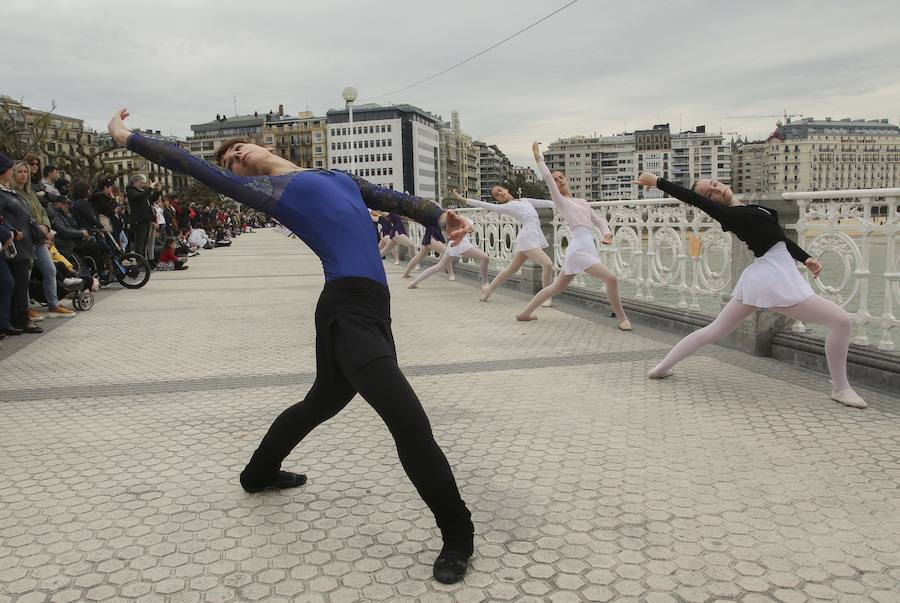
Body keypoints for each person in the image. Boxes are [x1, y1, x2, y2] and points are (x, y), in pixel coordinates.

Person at [108, 108, 475, 583]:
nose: (237, 155)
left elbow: (393, 198)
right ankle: (458, 532)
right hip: (348, 311)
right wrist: (126, 136)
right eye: (231, 161)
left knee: (321, 400)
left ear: (263, 145)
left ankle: (258, 474)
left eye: (239, 148)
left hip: (368, 309)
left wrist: (441, 216)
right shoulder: (268, 191)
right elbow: (186, 162)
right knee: (408, 421)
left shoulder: (335, 175)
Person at [636, 171, 866, 409]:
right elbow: (693, 199)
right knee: (841, 321)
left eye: (714, 185)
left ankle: (661, 368)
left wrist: (806, 258)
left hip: (766, 275)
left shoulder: (753, 209)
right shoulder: (729, 215)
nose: (715, 191)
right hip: (773, 278)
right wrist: (657, 182)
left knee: (715, 330)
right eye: (709, 194)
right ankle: (841, 388)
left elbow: (778, 239)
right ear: (709, 202)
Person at [516, 143, 631, 329]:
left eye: (561, 177)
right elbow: (547, 178)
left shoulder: (582, 202)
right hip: (579, 248)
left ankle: (525, 312)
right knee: (611, 278)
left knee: (556, 288)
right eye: (556, 179)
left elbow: (599, 221)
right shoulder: (560, 201)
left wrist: (608, 234)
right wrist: (538, 157)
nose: (559, 180)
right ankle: (622, 319)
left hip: (587, 247)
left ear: (567, 179)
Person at [452, 188, 555, 304]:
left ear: (506, 189)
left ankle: (487, 292)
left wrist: (567, 204)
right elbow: (484, 205)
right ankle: (546, 297)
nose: (500, 194)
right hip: (528, 237)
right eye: (497, 195)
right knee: (547, 264)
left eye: (500, 190)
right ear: (497, 199)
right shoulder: (507, 206)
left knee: (510, 270)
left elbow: (547, 203)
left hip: (532, 235)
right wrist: (461, 199)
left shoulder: (525, 200)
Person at [12, 161, 74, 317]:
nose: (24, 175)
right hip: (25, 240)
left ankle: (53, 305)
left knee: (50, 270)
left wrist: (45, 227)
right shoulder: (12, 194)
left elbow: (43, 213)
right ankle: (26, 308)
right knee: (26, 274)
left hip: (39, 238)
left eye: (25, 172)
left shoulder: (30, 192)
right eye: (20, 172)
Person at [0, 152, 43, 334]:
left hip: (23, 243)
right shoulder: (2, 194)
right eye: (12, 170)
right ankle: (18, 319)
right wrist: (10, 232)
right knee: (16, 283)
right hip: (13, 245)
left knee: (20, 283)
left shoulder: (11, 192)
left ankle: (17, 318)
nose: (13, 174)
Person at [406, 220, 489, 290]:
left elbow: (463, 231)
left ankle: (414, 283)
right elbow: (469, 230)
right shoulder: (462, 220)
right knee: (485, 257)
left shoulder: (451, 221)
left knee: (438, 267)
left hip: (453, 245)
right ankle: (485, 284)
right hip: (462, 246)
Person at [126, 174, 160, 259]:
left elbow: (151, 198)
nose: (142, 184)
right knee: (139, 243)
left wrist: (157, 191)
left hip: (146, 219)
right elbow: (139, 197)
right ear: (134, 182)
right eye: (140, 182)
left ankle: (144, 260)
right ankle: (140, 261)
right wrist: (150, 188)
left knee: (145, 242)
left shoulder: (141, 191)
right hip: (139, 220)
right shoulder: (131, 191)